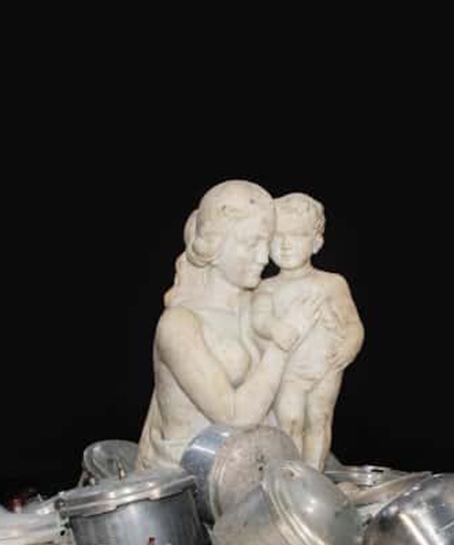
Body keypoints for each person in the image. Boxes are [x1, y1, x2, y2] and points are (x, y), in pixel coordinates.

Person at [135, 180, 319, 471]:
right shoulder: (179, 324)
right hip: (190, 486)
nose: (263, 257)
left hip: (253, 471)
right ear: (215, 244)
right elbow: (235, 418)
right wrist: (283, 344)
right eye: (251, 243)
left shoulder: (260, 308)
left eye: (267, 243)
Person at [246, 192, 364, 469]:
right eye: (278, 236)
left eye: (297, 235)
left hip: (327, 367)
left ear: (316, 243)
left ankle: (315, 474)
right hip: (288, 370)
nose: (286, 244)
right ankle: (292, 477)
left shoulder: (332, 283)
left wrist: (350, 346)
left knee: (319, 418)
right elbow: (259, 320)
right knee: (289, 421)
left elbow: (352, 323)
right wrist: (276, 328)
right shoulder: (266, 287)